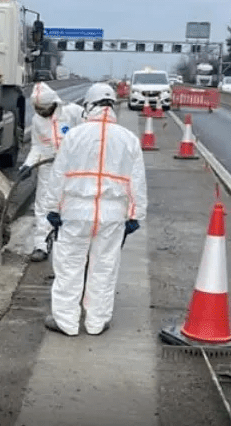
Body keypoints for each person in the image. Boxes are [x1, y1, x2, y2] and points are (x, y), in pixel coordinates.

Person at [40, 82, 147, 336]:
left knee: (69, 266)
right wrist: (135, 215)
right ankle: (97, 322)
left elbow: (58, 175)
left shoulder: (74, 136)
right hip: (112, 215)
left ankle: (66, 322)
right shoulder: (128, 139)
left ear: (89, 105)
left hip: (75, 212)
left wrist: (52, 209)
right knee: (105, 268)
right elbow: (138, 182)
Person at [17, 82, 84, 262]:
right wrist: (28, 164)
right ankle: (41, 245)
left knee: (73, 206)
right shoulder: (38, 121)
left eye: (43, 109)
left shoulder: (73, 113)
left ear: (54, 104)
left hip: (73, 169)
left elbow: (88, 137)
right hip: (48, 168)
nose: (40, 113)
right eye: (37, 109)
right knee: (43, 206)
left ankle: (71, 248)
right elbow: (38, 147)